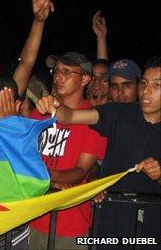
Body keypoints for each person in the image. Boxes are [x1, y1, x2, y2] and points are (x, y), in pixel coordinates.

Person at [35, 55, 161, 247]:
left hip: (149, 227)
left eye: (156, 85)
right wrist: (53, 108)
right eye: (144, 83)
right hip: (107, 220)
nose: (146, 90)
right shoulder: (119, 113)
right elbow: (70, 116)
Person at [28, 52, 107, 249]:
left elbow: (81, 171)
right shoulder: (39, 113)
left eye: (67, 72)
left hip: (71, 223)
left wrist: (50, 177)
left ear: (85, 79)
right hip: (35, 216)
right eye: (57, 71)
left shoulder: (94, 119)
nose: (58, 77)